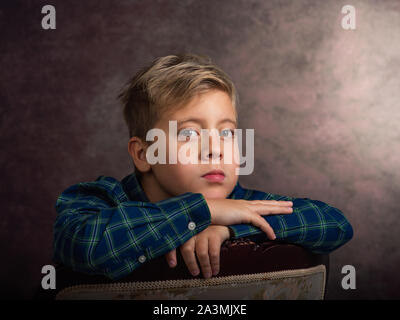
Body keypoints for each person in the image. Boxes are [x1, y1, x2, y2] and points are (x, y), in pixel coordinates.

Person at [53, 54, 353, 281]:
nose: (214, 149)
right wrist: (202, 212)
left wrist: (231, 226)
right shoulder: (99, 201)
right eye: (188, 134)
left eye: (226, 133)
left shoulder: (243, 204)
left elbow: (335, 224)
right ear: (144, 153)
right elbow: (82, 243)